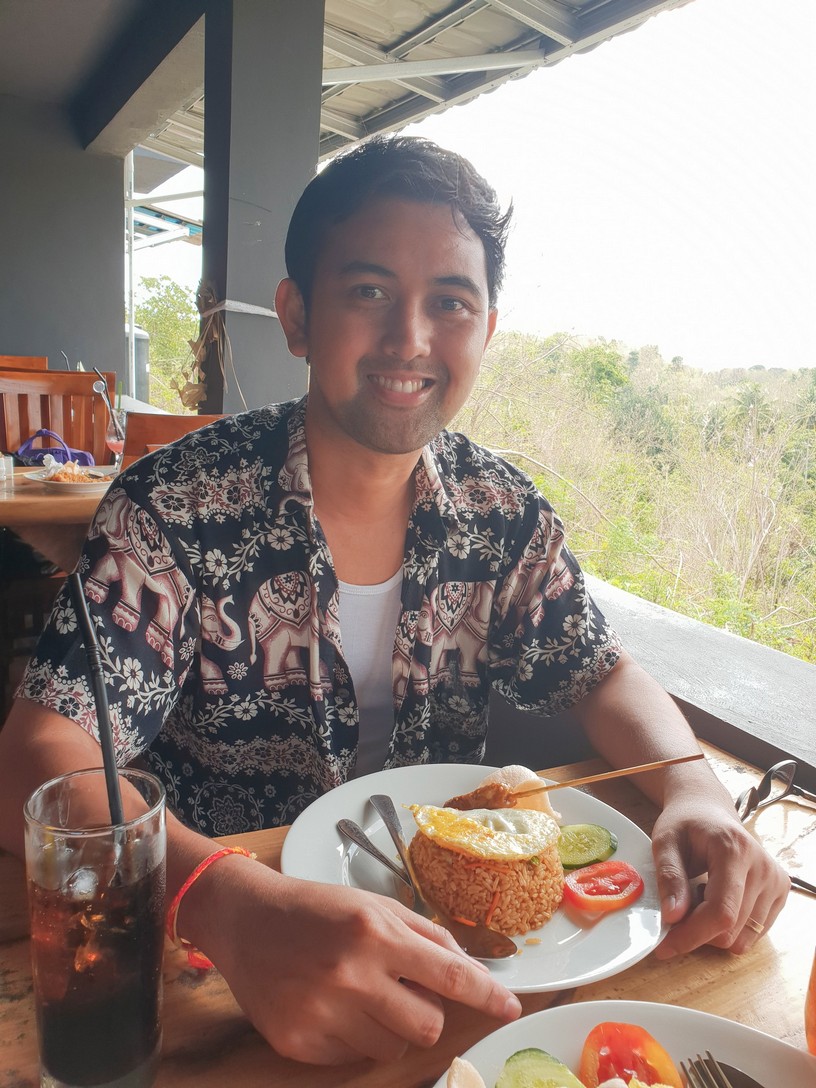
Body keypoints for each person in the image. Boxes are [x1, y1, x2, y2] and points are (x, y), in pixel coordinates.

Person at [0, 136, 788, 1066]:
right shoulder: (173, 505)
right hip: (222, 958)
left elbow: (602, 672)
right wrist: (218, 896)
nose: (411, 339)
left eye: (450, 302)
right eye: (369, 291)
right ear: (297, 316)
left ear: (486, 329)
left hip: (461, 962)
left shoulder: (503, 515)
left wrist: (694, 789)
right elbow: (40, 755)